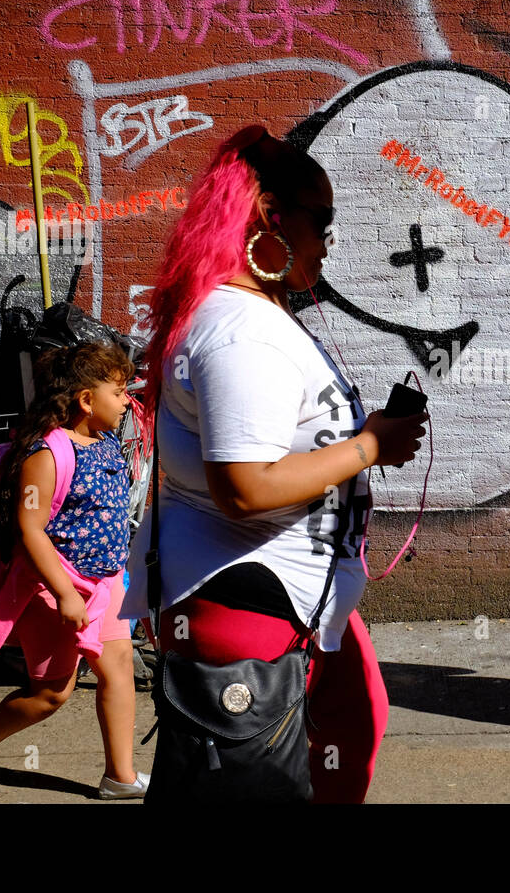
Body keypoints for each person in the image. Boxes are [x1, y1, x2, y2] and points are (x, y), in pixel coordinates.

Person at [122, 124, 428, 803]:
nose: (329, 242)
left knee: (351, 734)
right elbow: (245, 487)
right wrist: (369, 446)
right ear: (271, 219)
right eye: (323, 222)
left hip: (293, 612)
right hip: (247, 618)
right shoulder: (240, 334)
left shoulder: (254, 316)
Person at [0, 341, 148, 802]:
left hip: (106, 582)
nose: (126, 402)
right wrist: (64, 592)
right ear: (85, 400)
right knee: (52, 692)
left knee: (117, 670)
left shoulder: (105, 441)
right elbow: (30, 527)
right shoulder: (47, 451)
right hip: (55, 584)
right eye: (119, 393)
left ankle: (120, 776)